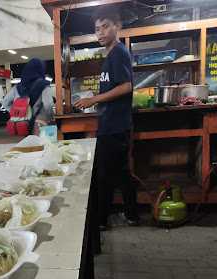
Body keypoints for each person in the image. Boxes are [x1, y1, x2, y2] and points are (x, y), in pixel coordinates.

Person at [74, 9, 139, 230]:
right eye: (96, 29)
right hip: (111, 124)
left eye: (105, 26)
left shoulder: (119, 52)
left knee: (106, 174)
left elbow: (126, 86)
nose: (100, 33)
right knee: (118, 173)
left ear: (117, 26)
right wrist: (95, 100)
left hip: (115, 125)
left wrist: (94, 99)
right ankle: (130, 215)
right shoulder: (111, 54)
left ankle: (102, 220)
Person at [3, 58, 54, 135]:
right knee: (42, 145)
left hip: (23, 124)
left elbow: (5, 102)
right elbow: (48, 105)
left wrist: (19, 113)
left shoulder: (17, 87)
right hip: (39, 123)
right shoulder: (44, 85)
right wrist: (50, 117)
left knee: (27, 145)